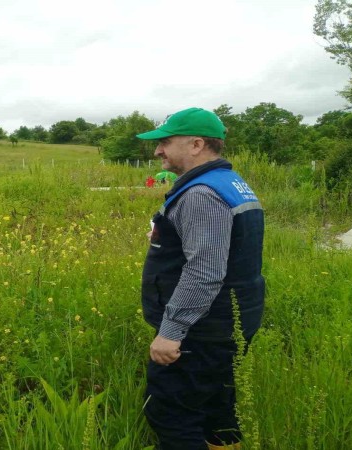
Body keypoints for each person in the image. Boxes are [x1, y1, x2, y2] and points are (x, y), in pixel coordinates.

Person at [136, 108, 265, 450]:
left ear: (196, 144)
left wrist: (171, 332)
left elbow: (204, 271)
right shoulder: (232, 184)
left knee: (171, 414)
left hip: (202, 329)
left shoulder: (201, 194)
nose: (157, 150)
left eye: (165, 142)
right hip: (231, 320)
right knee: (218, 411)